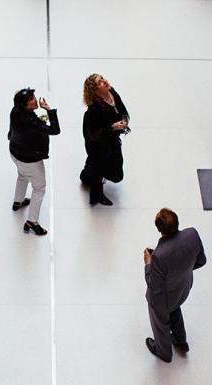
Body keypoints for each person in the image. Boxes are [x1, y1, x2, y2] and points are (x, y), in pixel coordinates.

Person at [143, 208, 207, 363]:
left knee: (160, 323)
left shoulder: (158, 256)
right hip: (183, 289)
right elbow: (201, 261)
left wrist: (148, 263)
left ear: (159, 229)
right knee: (174, 309)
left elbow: (154, 285)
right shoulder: (192, 234)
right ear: (177, 222)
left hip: (162, 299)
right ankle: (180, 341)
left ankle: (163, 352)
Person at [8, 87, 60, 235]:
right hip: (30, 160)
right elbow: (55, 130)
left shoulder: (15, 111)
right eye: (31, 99)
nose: (35, 100)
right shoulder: (31, 121)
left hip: (15, 152)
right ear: (24, 105)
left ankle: (18, 201)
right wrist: (49, 110)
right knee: (39, 188)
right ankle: (32, 221)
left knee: (22, 176)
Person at [80, 74, 129, 206]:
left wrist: (124, 120)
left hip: (111, 139)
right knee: (100, 166)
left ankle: (87, 175)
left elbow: (121, 107)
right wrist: (112, 128)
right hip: (98, 143)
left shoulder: (111, 91)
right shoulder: (94, 110)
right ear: (95, 90)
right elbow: (94, 134)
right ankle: (97, 194)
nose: (104, 81)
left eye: (103, 78)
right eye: (100, 82)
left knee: (116, 173)